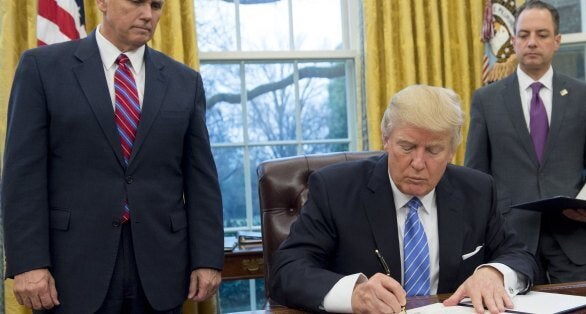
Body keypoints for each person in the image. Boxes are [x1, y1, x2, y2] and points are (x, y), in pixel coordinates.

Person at [2, 0, 224, 312]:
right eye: (136, 2)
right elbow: (22, 176)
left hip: (162, 268)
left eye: (156, 5)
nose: (148, 14)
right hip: (71, 269)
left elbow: (202, 180)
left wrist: (207, 259)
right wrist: (28, 262)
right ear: (102, 3)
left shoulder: (184, 81)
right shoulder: (42, 68)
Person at [269, 85, 537, 314]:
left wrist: (495, 274)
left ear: (452, 151)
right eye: (406, 147)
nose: (418, 163)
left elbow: (518, 254)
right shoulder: (335, 189)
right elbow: (286, 270)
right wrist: (354, 293)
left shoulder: (477, 190)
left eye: (433, 150)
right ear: (386, 139)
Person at [465, 0, 586, 285]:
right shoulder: (486, 100)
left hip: (572, 240)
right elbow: (476, 175)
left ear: (557, 41)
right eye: (524, 35)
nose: (532, 42)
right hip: (509, 245)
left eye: (542, 35)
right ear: (514, 40)